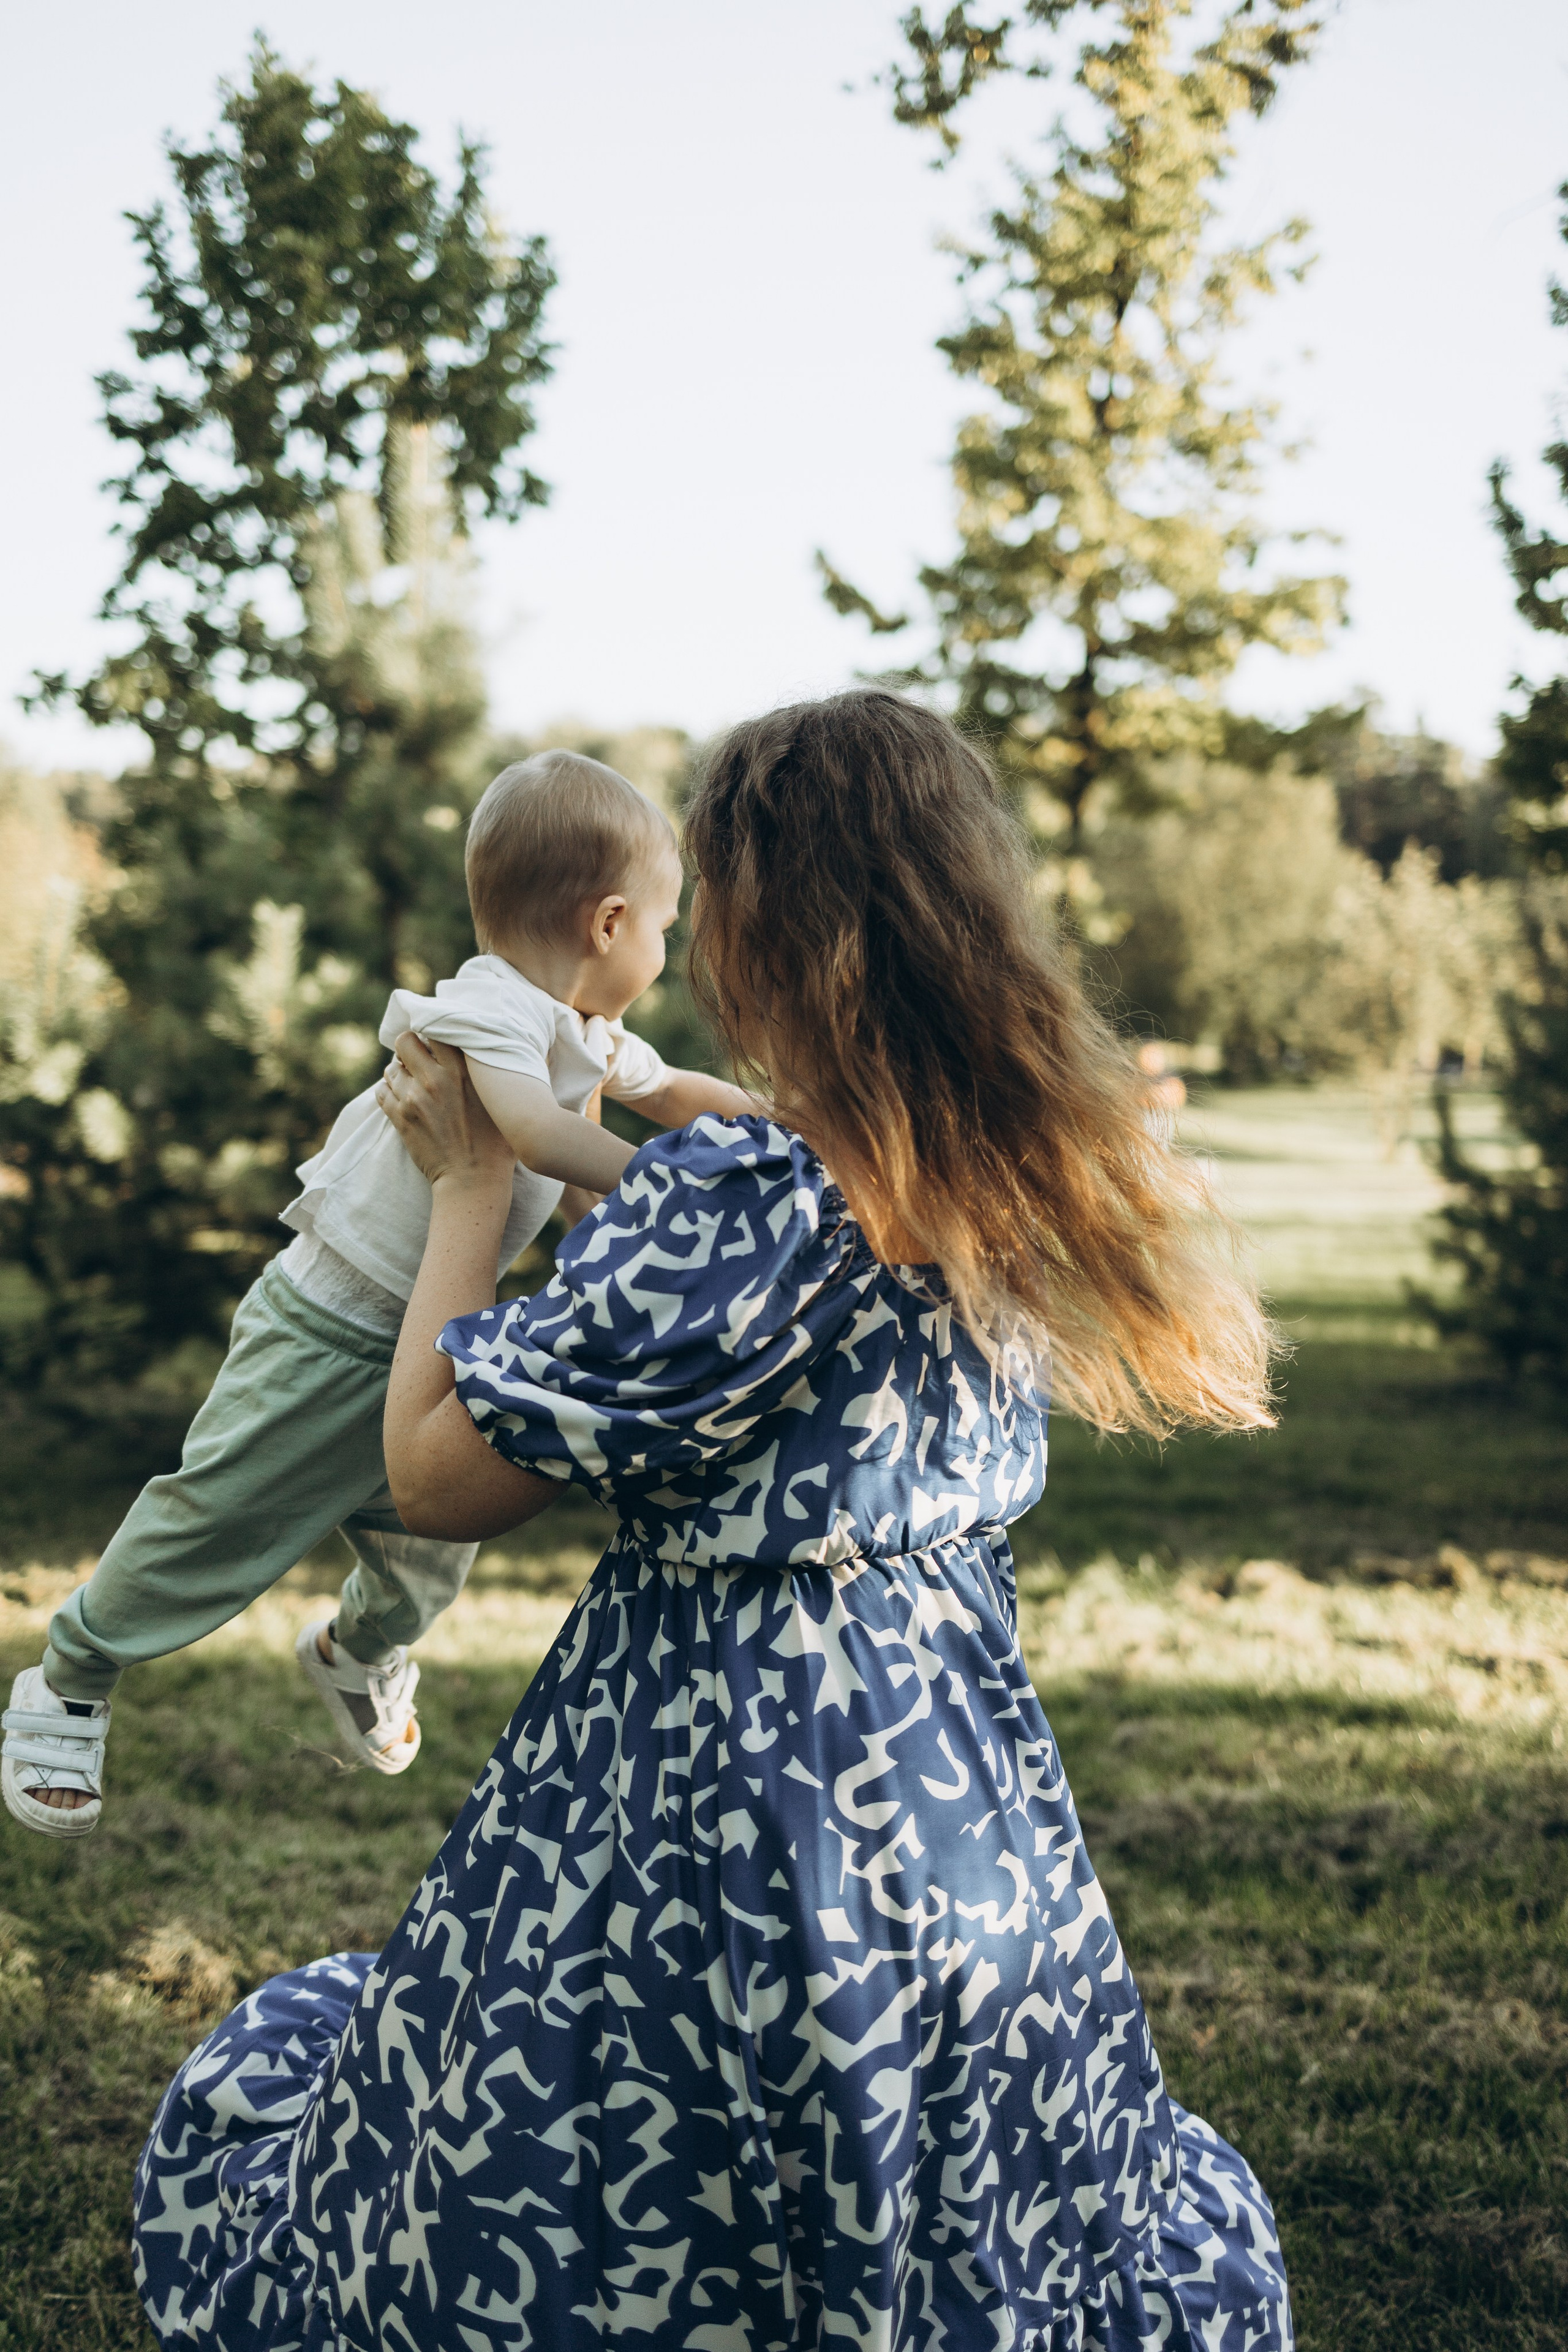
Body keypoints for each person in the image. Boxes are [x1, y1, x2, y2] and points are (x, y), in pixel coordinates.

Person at [130, 692, 1293, 2350]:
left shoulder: (740, 1208)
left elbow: (434, 1476)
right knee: (916, 2090)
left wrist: (470, 1186)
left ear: (766, 931)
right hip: (951, 1774)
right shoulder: (996, 1163)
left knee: (649, 2106)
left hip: (710, 1780)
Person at [2, 750, 753, 1836]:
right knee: (212, 1523)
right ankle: (69, 1678)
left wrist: (786, 1134)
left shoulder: (587, 1032)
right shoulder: (491, 1009)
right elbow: (536, 1135)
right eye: (665, 929)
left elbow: (676, 1089)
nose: (665, 953)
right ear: (608, 922)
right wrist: (676, 1187)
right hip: (329, 1328)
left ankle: (355, 1650)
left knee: (432, 1556)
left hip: (425, 1346)